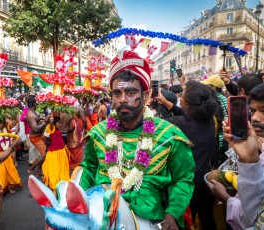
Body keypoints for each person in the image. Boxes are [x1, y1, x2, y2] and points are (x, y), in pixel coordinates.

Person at [79, 50, 195, 229]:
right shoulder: (99, 133)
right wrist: (78, 202)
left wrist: (172, 213)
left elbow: (183, 178)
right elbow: (88, 169)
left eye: (131, 92)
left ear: (146, 96)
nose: (123, 100)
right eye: (117, 93)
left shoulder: (169, 135)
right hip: (101, 220)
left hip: (150, 221)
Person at [167, 81, 222, 229]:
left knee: (185, 221)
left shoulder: (173, 124)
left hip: (185, 184)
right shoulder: (212, 120)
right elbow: (186, 116)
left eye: (182, 95)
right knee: (206, 217)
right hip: (207, 181)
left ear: (186, 103)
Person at [208, 83, 264, 229]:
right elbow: (256, 219)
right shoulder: (258, 148)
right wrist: (249, 160)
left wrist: (227, 198)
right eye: (253, 110)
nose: (256, 118)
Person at [41, 113, 70, 194]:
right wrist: (51, 117)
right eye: (59, 123)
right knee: (55, 171)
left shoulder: (56, 129)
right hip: (54, 154)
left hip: (61, 152)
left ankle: (63, 187)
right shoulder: (51, 128)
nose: (60, 124)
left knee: (62, 170)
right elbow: (51, 124)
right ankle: (55, 189)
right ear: (53, 123)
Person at [25, 95, 46, 177]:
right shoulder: (30, 114)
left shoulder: (33, 111)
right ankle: (31, 169)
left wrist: (41, 118)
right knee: (44, 154)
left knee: (43, 153)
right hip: (35, 137)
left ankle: (39, 171)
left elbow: (36, 121)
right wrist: (44, 122)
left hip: (40, 135)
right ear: (35, 103)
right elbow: (35, 128)